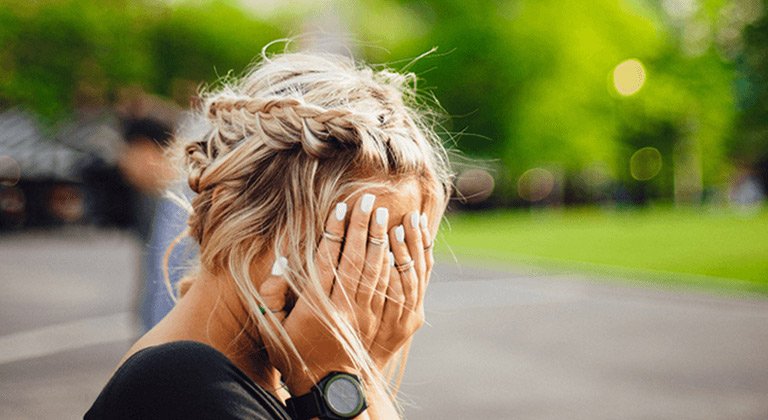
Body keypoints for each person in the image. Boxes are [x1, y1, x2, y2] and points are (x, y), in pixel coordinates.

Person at [86, 51, 452, 419]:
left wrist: (360, 372)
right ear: (240, 215)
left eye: (396, 250)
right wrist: (329, 383)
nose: (375, 282)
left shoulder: (271, 374)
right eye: (350, 242)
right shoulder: (183, 384)